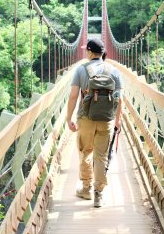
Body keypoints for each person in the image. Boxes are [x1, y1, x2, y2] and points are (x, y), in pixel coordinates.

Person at [66, 38, 122, 208]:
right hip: (106, 120)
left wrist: (68, 118)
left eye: (86, 50)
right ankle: (98, 194)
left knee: (85, 152)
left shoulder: (81, 70)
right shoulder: (114, 71)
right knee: (101, 156)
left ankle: (86, 188)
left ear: (90, 52)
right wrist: (117, 122)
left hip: (85, 118)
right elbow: (120, 100)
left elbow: (74, 96)